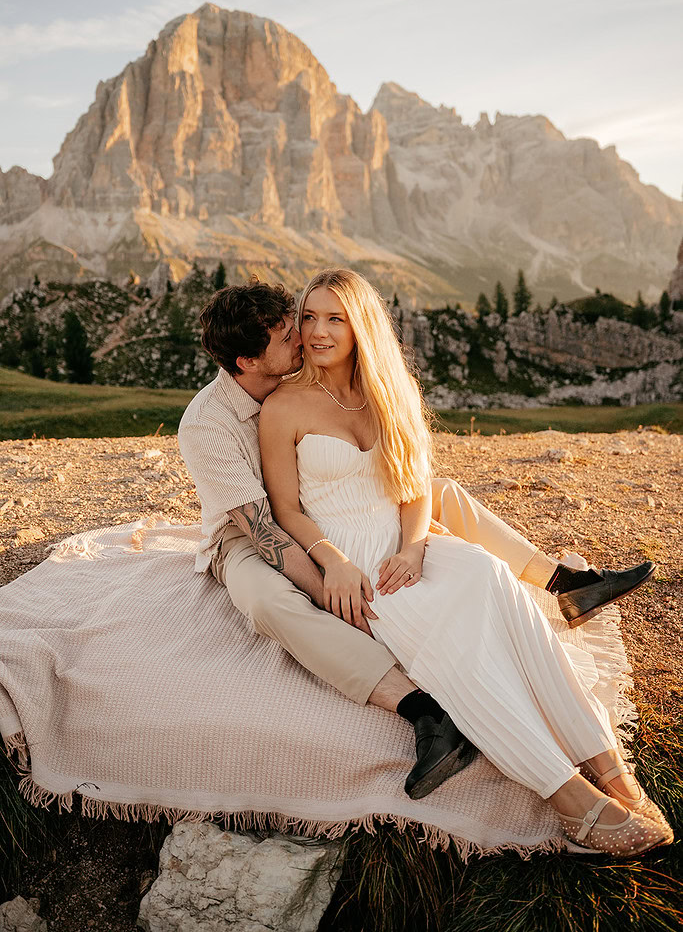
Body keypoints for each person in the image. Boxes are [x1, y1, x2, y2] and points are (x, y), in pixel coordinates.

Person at [178, 278, 655, 805]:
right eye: (292, 333)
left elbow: (397, 474)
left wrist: (406, 545)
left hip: (322, 507)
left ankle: (563, 583)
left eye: (308, 321)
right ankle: (420, 709)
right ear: (247, 362)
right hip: (247, 532)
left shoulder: (324, 383)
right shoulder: (210, 423)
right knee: (267, 599)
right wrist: (335, 587)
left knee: (435, 491)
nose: (305, 337)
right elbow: (267, 524)